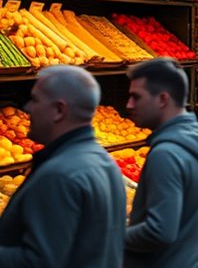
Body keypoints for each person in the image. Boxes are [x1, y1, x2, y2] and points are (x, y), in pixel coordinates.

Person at [0, 66, 125, 267]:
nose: (28, 108)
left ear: (59, 110)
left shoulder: (60, 174)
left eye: (36, 100)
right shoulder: (103, 161)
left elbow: (41, 261)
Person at [124, 58, 198, 268]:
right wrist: (190, 247)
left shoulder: (166, 153)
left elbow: (159, 231)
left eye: (136, 97)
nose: (129, 105)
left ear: (163, 99)